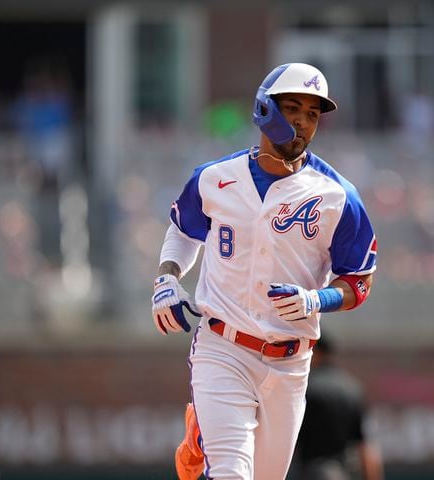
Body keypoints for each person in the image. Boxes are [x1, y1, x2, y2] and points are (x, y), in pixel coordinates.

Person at [151, 63, 377, 480]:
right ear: (264, 108)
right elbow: (183, 231)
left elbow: (358, 280)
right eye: (292, 107)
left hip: (291, 362)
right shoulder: (215, 178)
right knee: (233, 475)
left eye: (312, 114)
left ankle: (200, 436)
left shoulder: (337, 195)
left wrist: (318, 299)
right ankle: (208, 432)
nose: (303, 121)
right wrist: (167, 278)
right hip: (224, 347)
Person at [293, 337, 384, 480]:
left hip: (311, 472)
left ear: (316, 352)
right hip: (343, 472)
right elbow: (366, 448)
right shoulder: (352, 388)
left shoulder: (304, 389)